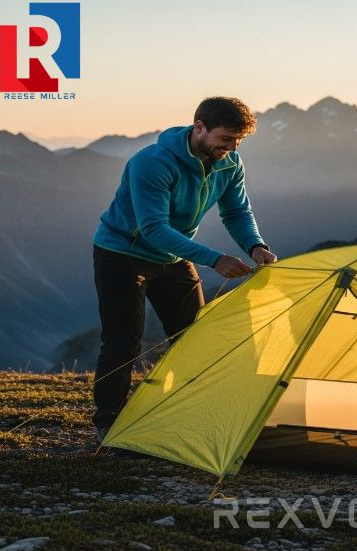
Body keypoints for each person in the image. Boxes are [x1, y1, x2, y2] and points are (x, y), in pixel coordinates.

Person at [91, 96, 276, 441]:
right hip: (122, 254)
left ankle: (187, 411)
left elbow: (236, 211)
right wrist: (215, 259)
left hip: (173, 256)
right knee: (123, 341)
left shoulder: (230, 163)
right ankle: (108, 424)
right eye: (226, 138)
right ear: (199, 128)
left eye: (238, 141)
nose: (232, 148)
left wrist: (255, 246)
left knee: (193, 337)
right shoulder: (152, 163)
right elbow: (153, 228)